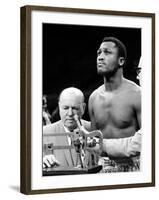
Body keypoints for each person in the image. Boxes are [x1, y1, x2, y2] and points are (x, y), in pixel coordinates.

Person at [88, 37, 141, 172]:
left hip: (133, 167)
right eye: (99, 53)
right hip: (101, 167)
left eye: (107, 52)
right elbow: (93, 143)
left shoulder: (137, 94)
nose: (100, 57)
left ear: (121, 61)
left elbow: (148, 139)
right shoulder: (94, 98)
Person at [43, 87, 91, 169]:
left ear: (83, 108)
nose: (70, 113)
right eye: (65, 108)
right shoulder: (44, 133)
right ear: (59, 106)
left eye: (75, 108)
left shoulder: (94, 130)